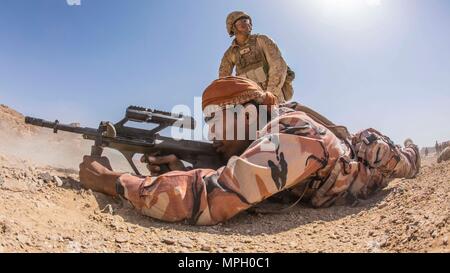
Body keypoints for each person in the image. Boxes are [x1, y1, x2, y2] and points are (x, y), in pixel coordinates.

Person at [79, 76, 421, 225]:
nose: (211, 131)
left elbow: (215, 197)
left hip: (370, 161)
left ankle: (411, 150)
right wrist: (179, 168)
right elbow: (239, 173)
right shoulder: (261, 139)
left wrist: (113, 181)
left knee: (394, 157)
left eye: (215, 119)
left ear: (246, 113)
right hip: (328, 181)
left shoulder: (291, 131)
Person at [218, 11, 295, 103]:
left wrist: (269, 95)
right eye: (241, 22)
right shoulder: (230, 53)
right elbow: (224, 80)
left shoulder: (261, 40)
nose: (246, 24)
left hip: (272, 97)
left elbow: (278, 66)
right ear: (233, 28)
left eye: (246, 21)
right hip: (248, 101)